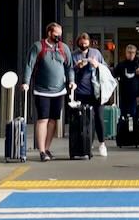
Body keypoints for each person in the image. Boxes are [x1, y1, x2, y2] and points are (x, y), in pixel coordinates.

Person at [22, 22, 74, 162]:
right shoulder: (38, 47)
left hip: (59, 91)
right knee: (43, 120)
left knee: (53, 121)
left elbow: (70, 67)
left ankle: (47, 148)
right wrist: (26, 82)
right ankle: (41, 151)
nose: (59, 37)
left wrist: (71, 80)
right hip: (42, 91)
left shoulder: (64, 48)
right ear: (49, 33)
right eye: (56, 34)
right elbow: (29, 65)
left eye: (60, 34)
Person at [72, 32, 108, 157]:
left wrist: (97, 65)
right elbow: (71, 71)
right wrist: (78, 67)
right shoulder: (74, 55)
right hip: (82, 91)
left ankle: (102, 143)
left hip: (96, 92)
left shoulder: (96, 53)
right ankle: (88, 143)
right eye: (82, 44)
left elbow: (105, 67)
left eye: (86, 44)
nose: (84, 46)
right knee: (86, 119)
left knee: (98, 117)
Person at [113, 44, 139, 119]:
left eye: (133, 52)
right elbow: (113, 75)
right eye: (129, 52)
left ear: (135, 53)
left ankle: (133, 130)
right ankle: (123, 130)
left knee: (134, 116)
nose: (131, 54)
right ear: (126, 53)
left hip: (135, 96)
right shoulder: (121, 65)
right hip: (123, 95)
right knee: (123, 116)